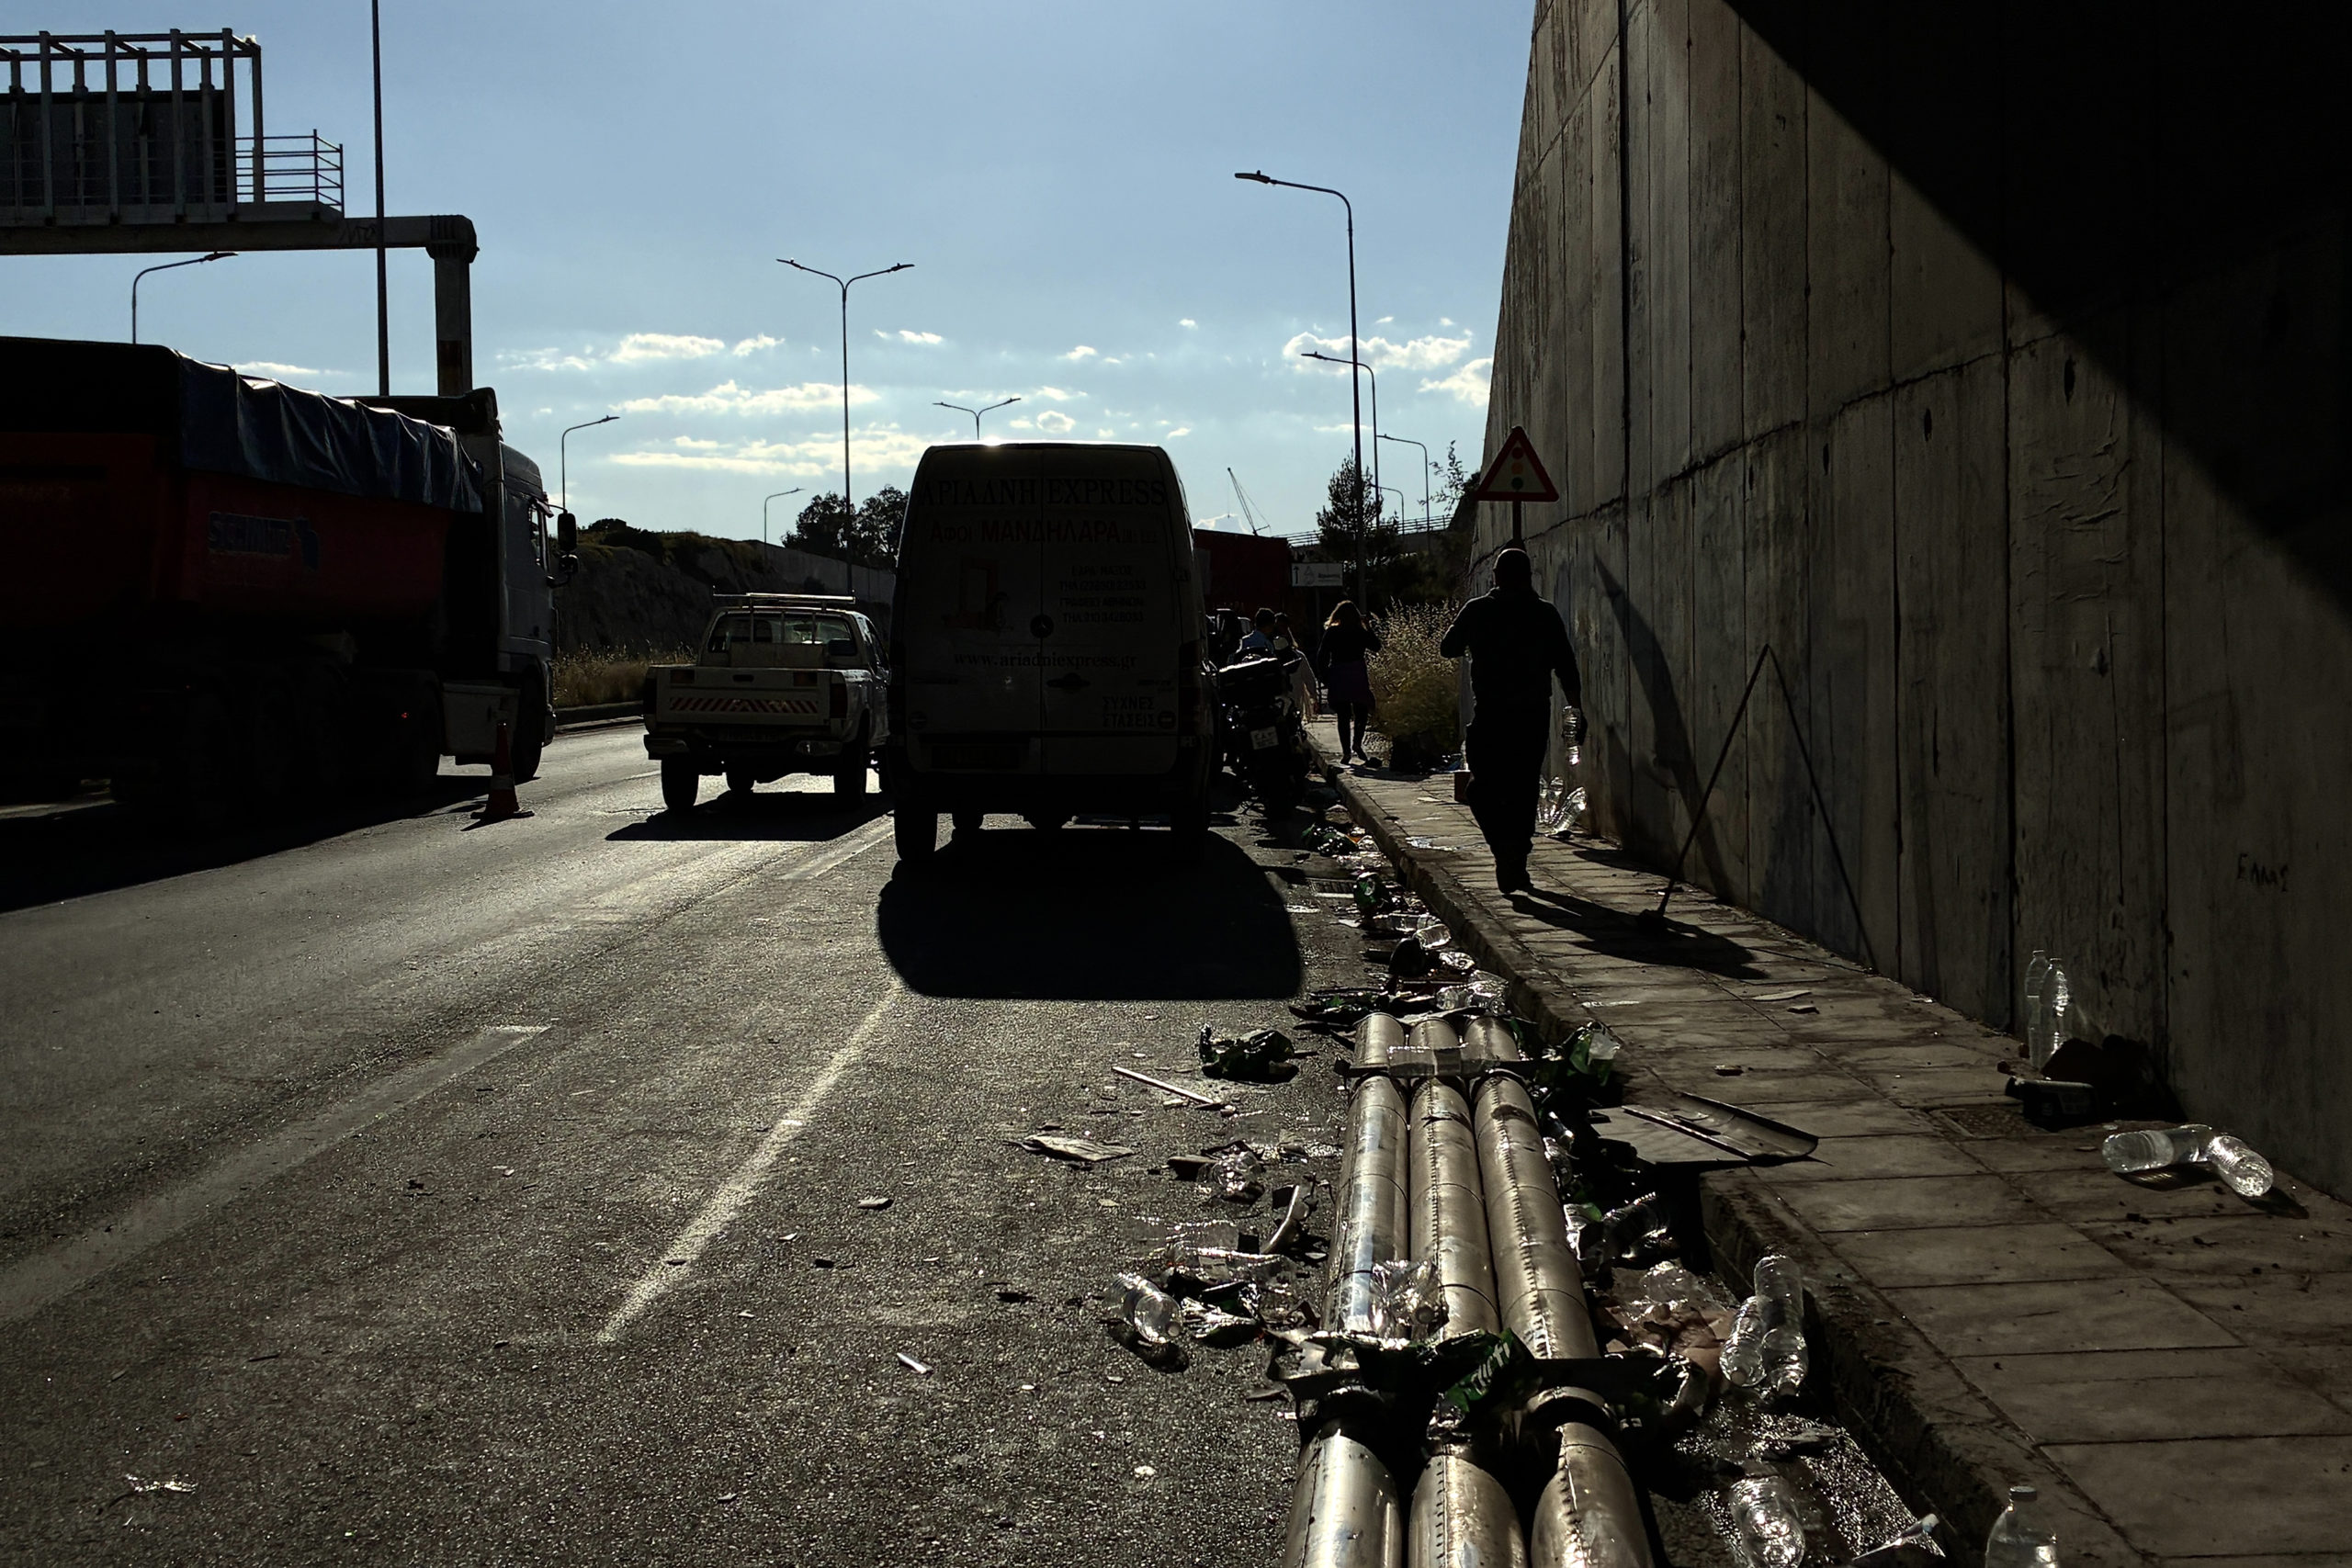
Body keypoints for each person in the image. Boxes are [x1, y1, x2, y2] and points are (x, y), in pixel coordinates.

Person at [1439, 548, 1580, 894]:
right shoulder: (1544, 613)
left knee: (1482, 789)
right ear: (1529, 576)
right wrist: (1577, 709)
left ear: (1496, 577)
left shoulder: (1479, 610)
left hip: (1493, 715)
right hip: (1531, 716)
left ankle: (1507, 854)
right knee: (1523, 789)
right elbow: (1566, 666)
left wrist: (1475, 632)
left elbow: (1448, 648)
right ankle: (1514, 857)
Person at [1317, 600, 1382, 763]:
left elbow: (1322, 656)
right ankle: (1357, 743)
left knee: (1343, 715)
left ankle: (1346, 752)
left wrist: (1325, 677)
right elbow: (1376, 646)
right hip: (1357, 674)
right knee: (1361, 711)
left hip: (1339, 674)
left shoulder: (1332, 632)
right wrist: (1368, 627)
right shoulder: (1360, 632)